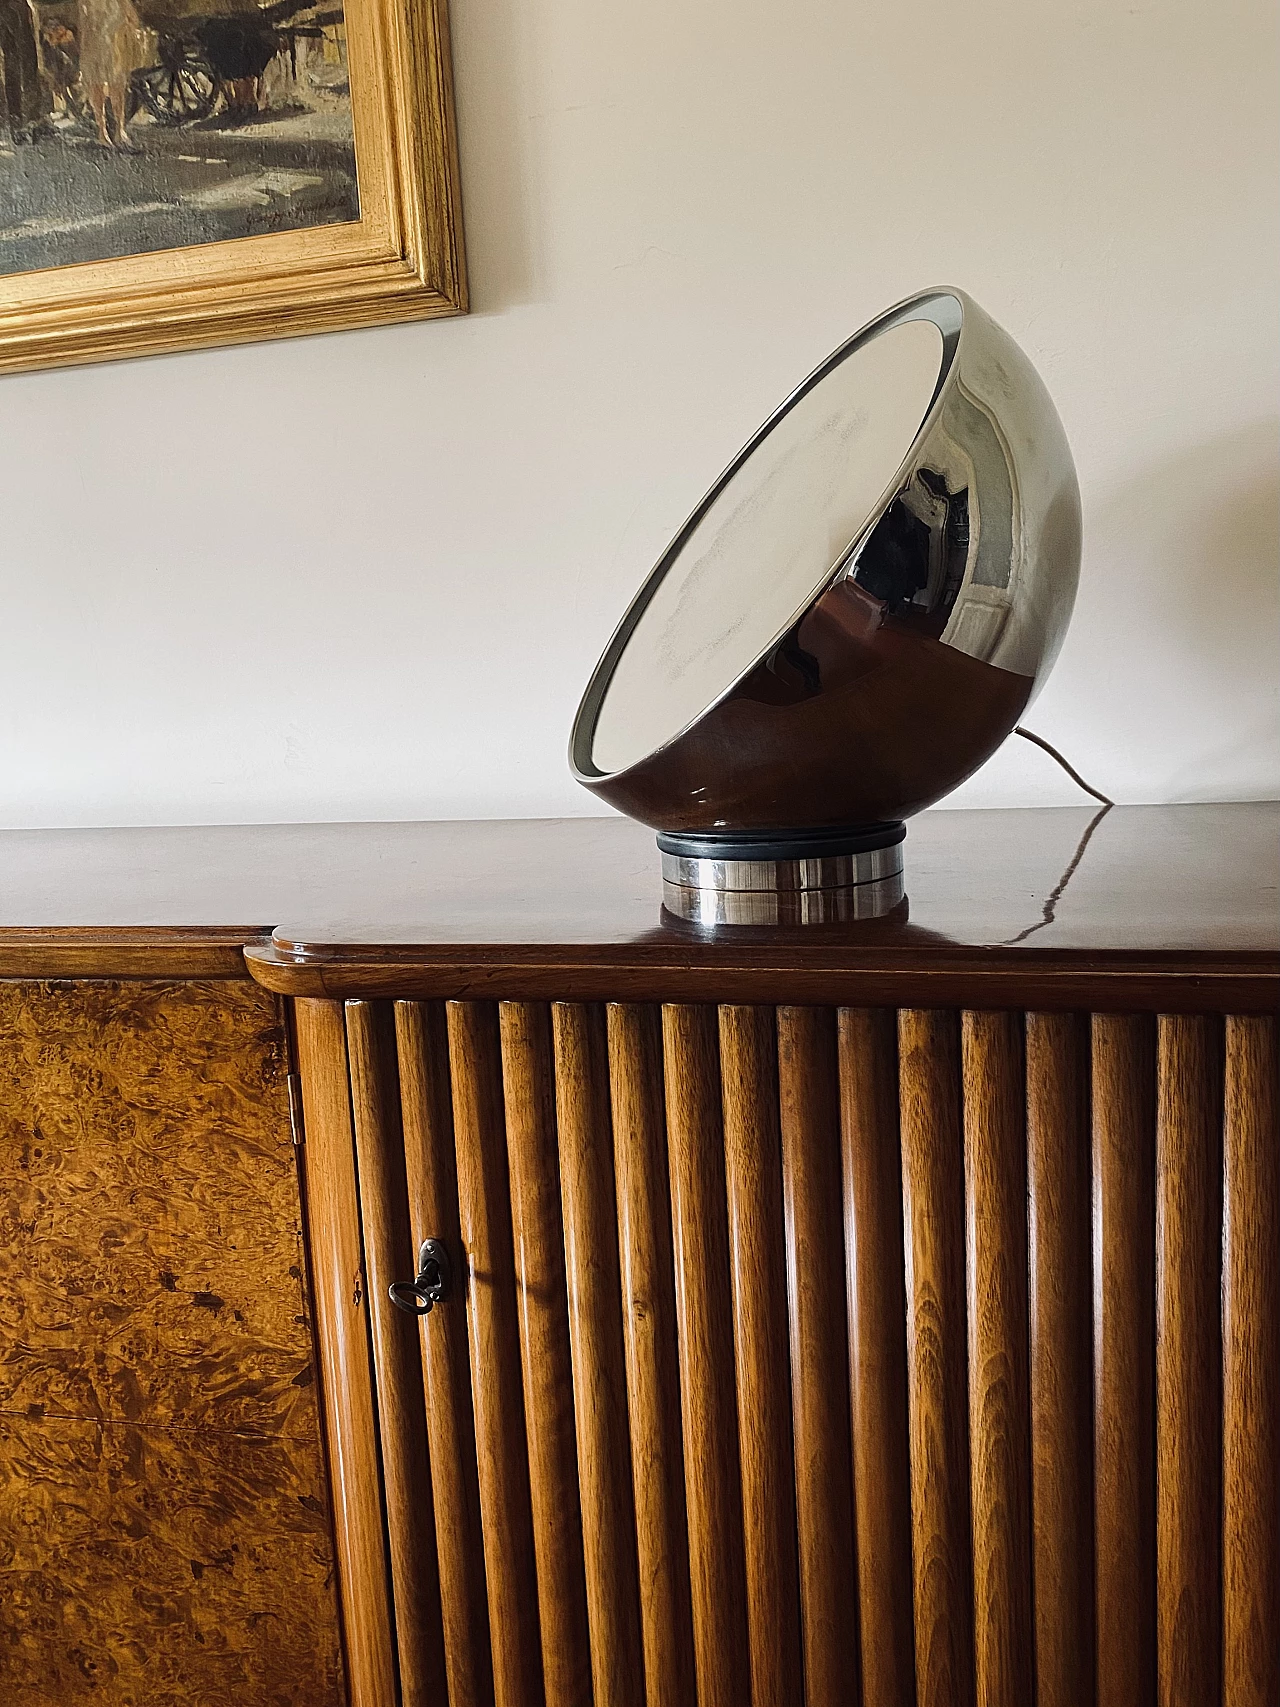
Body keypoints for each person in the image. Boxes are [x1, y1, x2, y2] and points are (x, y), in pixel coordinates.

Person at [77, 0, 147, 147]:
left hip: (108, 41)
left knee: (111, 86)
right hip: (101, 41)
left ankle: (112, 130)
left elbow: (132, 17)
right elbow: (133, 18)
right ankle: (109, 131)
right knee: (103, 85)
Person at [0, 0, 52, 140]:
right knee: (24, 62)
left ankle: (20, 122)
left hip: (13, 8)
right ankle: (29, 120)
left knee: (17, 64)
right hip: (13, 8)